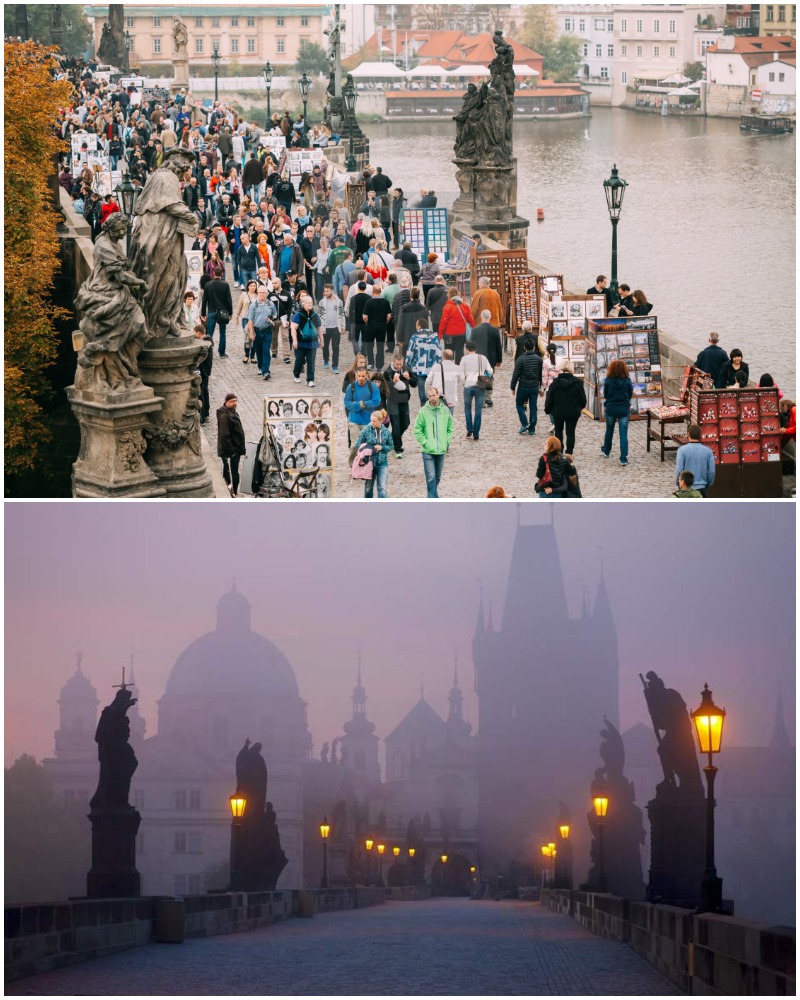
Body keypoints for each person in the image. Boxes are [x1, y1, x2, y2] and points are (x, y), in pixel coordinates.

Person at [414, 385, 454, 498]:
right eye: (429, 396)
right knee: (431, 477)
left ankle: (430, 497)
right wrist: (425, 442)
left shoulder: (445, 410)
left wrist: (447, 441)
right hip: (428, 450)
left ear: (438, 395)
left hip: (441, 449)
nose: (432, 398)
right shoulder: (423, 411)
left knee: (437, 477)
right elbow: (417, 429)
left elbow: (450, 427)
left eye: (433, 395)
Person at [544, 361, 586, 456]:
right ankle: (569, 452)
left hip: (558, 412)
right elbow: (583, 399)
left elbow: (550, 398)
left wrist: (548, 409)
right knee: (571, 432)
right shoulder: (577, 383)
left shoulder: (555, 383)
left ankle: (559, 451)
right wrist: (580, 407)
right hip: (573, 411)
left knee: (558, 431)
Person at [600, 359, 634, 466]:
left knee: (609, 430)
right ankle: (623, 458)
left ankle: (606, 450)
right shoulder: (627, 381)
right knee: (623, 433)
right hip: (624, 409)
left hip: (611, 408)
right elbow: (630, 394)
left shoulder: (608, 381)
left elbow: (605, 395)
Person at [383, 353, 418, 458]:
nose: (399, 366)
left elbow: (415, 383)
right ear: (393, 362)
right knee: (396, 426)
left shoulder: (406, 368)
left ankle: (394, 438)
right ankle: (398, 449)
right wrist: (393, 382)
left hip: (404, 401)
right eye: (397, 364)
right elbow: (385, 389)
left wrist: (409, 379)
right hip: (393, 402)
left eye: (400, 364)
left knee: (406, 423)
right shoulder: (388, 372)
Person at [353, 408, 393, 498]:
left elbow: (391, 446)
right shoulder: (366, 430)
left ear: (381, 421)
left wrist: (382, 447)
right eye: (371, 420)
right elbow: (357, 444)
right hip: (369, 464)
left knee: (382, 489)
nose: (372, 423)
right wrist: (368, 448)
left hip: (382, 463)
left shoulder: (386, 432)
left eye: (374, 421)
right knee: (368, 489)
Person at [458, 340, 492, 442]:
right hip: (480, 385)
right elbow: (490, 370)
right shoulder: (482, 358)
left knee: (467, 408)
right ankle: (476, 433)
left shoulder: (464, 359)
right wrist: (485, 377)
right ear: (476, 349)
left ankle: (469, 429)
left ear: (466, 349)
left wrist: (464, 382)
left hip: (468, 385)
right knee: (478, 410)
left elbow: (461, 374)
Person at [405, 318, 442, 406]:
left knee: (422, 393)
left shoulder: (415, 337)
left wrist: (407, 365)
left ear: (419, 326)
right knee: (432, 391)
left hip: (419, 369)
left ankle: (424, 409)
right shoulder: (435, 337)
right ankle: (433, 406)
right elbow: (439, 353)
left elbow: (410, 353)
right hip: (432, 368)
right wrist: (440, 365)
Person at [510, 337, 543, 435]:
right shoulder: (539, 360)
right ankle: (532, 428)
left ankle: (524, 423)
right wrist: (541, 387)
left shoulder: (520, 359)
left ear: (524, 347)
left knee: (519, 404)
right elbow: (541, 374)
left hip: (523, 385)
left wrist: (512, 387)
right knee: (533, 406)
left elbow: (516, 374)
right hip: (534, 386)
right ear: (534, 348)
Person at [217, 392, 246, 497]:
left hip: (234, 450)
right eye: (232, 401)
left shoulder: (232, 412)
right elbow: (224, 436)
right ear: (226, 402)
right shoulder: (225, 416)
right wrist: (232, 452)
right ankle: (232, 493)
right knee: (231, 474)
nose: (234, 403)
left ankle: (232, 492)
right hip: (230, 452)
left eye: (235, 401)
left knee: (231, 472)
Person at [291, 293, 323, 387]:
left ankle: (310, 379)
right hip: (300, 343)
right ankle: (296, 374)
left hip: (312, 343)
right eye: (308, 302)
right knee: (299, 360)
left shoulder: (315, 315)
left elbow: (319, 328)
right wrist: (295, 340)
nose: (310, 304)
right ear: (303, 304)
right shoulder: (298, 315)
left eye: (311, 302)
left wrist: (322, 340)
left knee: (311, 361)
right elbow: (293, 328)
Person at [200, 265, 233, 357]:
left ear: (213, 273)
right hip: (223, 311)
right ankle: (221, 352)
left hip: (211, 311)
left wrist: (203, 313)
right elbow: (228, 300)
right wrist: (230, 313)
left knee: (209, 333)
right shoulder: (225, 284)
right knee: (222, 333)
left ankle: (207, 352)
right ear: (222, 274)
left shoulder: (208, 285)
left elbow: (204, 300)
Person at [247, 283, 278, 380]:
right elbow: (250, 320)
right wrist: (251, 333)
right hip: (257, 330)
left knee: (266, 350)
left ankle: (265, 371)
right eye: (259, 292)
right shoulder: (254, 305)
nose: (261, 294)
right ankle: (260, 367)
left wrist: (272, 319)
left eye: (263, 292)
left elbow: (275, 315)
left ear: (266, 293)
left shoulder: (270, 304)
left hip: (267, 330)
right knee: (258, 350)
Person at [675, 424, 716, 496]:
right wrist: (708, 484)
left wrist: (678, 483)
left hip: (686, 487)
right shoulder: (708, 451)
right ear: (700, 435)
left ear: (688, 434)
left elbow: (679, 469)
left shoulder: (682, 450)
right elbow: (711, 471)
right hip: (702, 487)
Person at [344, 366, 381, 445]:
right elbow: (347, 402)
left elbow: (376, 401)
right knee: (355, 445)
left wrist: (364, 404)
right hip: (354, 421)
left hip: (368, 421)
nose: (361, 378)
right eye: (359, 376)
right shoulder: (351, 387)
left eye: (363, 376)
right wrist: (357, 405)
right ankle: (354, 458)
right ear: (356, 376)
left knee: (368, 445)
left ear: (367, 375)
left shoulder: (372, 386)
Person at [438, 288, 475, 363]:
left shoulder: (447, 306)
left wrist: (440, 333)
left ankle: (449, 366)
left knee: (449, 351)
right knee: (460, 351)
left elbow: (443, 322)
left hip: (449, 334)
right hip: (461, 333)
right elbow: (471, 319)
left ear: (449, 295)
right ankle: (459, 367)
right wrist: (472, 329)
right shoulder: (465, 305)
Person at [317, 283, 345, 374]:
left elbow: (341, 314)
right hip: (325, 327)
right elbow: (319, 315)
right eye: (324, 291)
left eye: (327, 291)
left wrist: (343, 326)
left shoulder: (339, 301)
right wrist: (319, 328)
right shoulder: (322, 302)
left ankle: (335, 365)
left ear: (332, 291)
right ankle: (326, 359)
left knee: (335, 347)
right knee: (325, 345)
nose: (325, 293)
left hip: (336, 327)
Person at [395, 285, 429, 352]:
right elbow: (426, 324)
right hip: (420, 338)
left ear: (410, 295)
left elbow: (401, 324)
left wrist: (399, 339)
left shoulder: (404, 307)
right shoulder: (423, 308)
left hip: (407, 338)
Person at [426, 349, 460, 417]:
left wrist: (428, 395)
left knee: (436, 418)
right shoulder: (457, 368)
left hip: (437, 397)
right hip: (450, 398)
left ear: (443, 357)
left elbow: (428, 381)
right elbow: (461, 380)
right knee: (449, 420)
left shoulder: (435, 367)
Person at [234, 279, 259, 364]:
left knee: (254, 337)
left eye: (254, 286)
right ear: (248, 286)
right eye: (251, 286)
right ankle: (246, 355)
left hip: (255, 319)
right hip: (246, 318)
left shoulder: (258, 295)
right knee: (247, 336)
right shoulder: (244, 294)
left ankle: (253, 356)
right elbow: (239, 306)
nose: (252, 287)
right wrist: (236, 316)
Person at [194, 323, 213, 424]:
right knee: (205, 391)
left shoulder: (204, 344)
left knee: (202, 392)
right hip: (206, 371)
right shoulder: (209, 341)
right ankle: (206, 412)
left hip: (203, 372)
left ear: (198, 332)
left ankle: (202, 414)